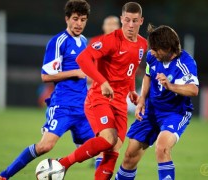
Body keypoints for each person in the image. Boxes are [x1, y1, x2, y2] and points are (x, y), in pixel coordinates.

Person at [0, 0, 94, 179]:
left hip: (83, 106)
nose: (79, 24)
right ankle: (3, 176)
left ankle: (60, 164)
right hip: (63, 105)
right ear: (67, 19)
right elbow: (46, 76)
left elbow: (85, 72)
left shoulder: (84, 41)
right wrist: (75, 72)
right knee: (44, 146)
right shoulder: (58, 42)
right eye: (75, 19)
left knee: (98, 147)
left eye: (83, 20)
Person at [58, 2, 147, 180]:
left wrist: (131, 90)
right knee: (108, 139)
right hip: (100, 97)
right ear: (122, 19)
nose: (130, 25)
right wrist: (102, 81)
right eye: (127, 20)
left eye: (135, 21)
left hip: (121, 101)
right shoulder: (110, 40)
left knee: (113, 149)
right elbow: (83, 59)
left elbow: (129, 69)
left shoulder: (142, 44)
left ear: (141, 21)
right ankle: (62, 164)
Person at [115, 24, 199, 180]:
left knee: (162, 148)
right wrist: (142, 100)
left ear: (167, 47)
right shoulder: (152, 57)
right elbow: (148, 76)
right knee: (129, 156)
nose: (151, 51)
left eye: (155, 48)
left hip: (174, 113)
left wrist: (170, 85)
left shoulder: (185, 63)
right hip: (151, 110)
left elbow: (193, 89)